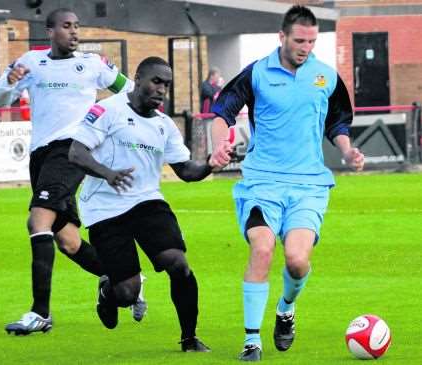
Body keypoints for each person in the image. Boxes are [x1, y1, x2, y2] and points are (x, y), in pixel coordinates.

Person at [210, 5, 365, 362]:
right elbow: (223, 111)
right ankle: (252, 341)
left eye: (311, 41)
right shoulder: (257, 73)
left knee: (297, 261)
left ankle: (285, 309)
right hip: (262, 182)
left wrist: (347, 150)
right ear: (282, 37)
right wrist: (222, 142)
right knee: (262, 248)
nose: (306, 47)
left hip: (309, 185)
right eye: (299, 40)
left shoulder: (325, 77)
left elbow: (337, 122)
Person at [0, 8, 147, 336]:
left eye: (77, 26)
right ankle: (126, 276)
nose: (74, 32)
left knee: (38, 220)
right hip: (41, 155)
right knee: (68, 241)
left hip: (72, 150)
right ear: (50, 31)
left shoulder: (93, 64)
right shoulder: (32, 62)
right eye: (66, 26)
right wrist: (9, 82)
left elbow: (130, 91)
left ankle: (40, 313)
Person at [68, 56, 212, 352]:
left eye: (167, 85)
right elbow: (76, 153)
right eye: (156, 81)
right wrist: (108, 174)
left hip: (147, 202)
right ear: (138, 78)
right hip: (104, 208)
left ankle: (189, 338)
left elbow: (186, 171)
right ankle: (109, 291)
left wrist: (212, 164)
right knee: (128, 293)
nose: (162, 90)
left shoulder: (164, 125)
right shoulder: (108, 110)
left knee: (178, 263)